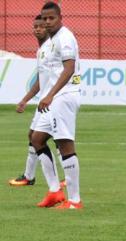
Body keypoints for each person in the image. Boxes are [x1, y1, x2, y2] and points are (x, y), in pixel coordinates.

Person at [29, 1, 82, 209]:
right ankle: (54, 191)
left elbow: (69, 69)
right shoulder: (48, 43)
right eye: (45, 18)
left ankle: (75, 200)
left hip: (64, 96)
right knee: (36, 138)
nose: (47, 22)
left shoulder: (65, 37)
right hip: (52, 98)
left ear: (60, 18)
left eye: (51, 18)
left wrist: (50, 95)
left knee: (64, 143)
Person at [9, 14, 63, 188]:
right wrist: (25, 100)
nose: (38, 29)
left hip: (54, 101)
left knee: (52, 138)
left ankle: (61, 179)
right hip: (44, 102)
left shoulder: (53, 48)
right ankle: (29, 176)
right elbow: (41, 80)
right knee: (34, 136)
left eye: (41, 26)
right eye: (35, 26)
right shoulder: (41, 51)